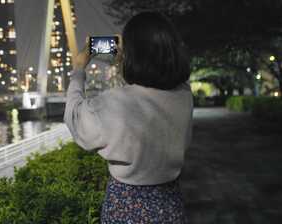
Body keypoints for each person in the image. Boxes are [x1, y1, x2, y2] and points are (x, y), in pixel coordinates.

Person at [64, 12, 193, 223]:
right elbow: (146, 89)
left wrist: (79, 69)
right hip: (170, 203)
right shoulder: (184, 95)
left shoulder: (113, 103)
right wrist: (131, 57)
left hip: (126, 206)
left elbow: (74, 117)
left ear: (132, 54)